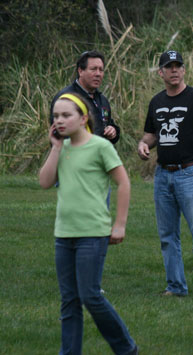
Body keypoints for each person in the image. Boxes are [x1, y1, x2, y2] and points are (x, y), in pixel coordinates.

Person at [39, 93, 137, 354]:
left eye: (66, 115)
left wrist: (120, 224)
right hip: (64, 234)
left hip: (92, 234)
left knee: (90, 296)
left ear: (83, 118)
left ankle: (126, 349)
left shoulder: (100, 146)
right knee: (69, 300)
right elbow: (45, 182)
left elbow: (123, 183)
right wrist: (55, 148)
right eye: (56, 116)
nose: (59, 121)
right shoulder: (62, 149)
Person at [137, 50, 193, 299]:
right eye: (169, 66)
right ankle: (176, 287)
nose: (174, 70)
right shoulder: (156, 102)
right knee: (167, 235)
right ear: (161, 72)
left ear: (184, 70)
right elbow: (151, 134)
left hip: (190, 171)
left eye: (178, 66)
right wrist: (143, 144)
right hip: (163, 174)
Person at [50, 50, 120, 144]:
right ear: (80, 71)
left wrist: (113, 131)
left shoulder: (102, 100)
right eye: (93, 69)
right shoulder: (66, 99)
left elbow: (107, 124)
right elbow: (58, 134)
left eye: (101, 70)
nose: (98, 74)